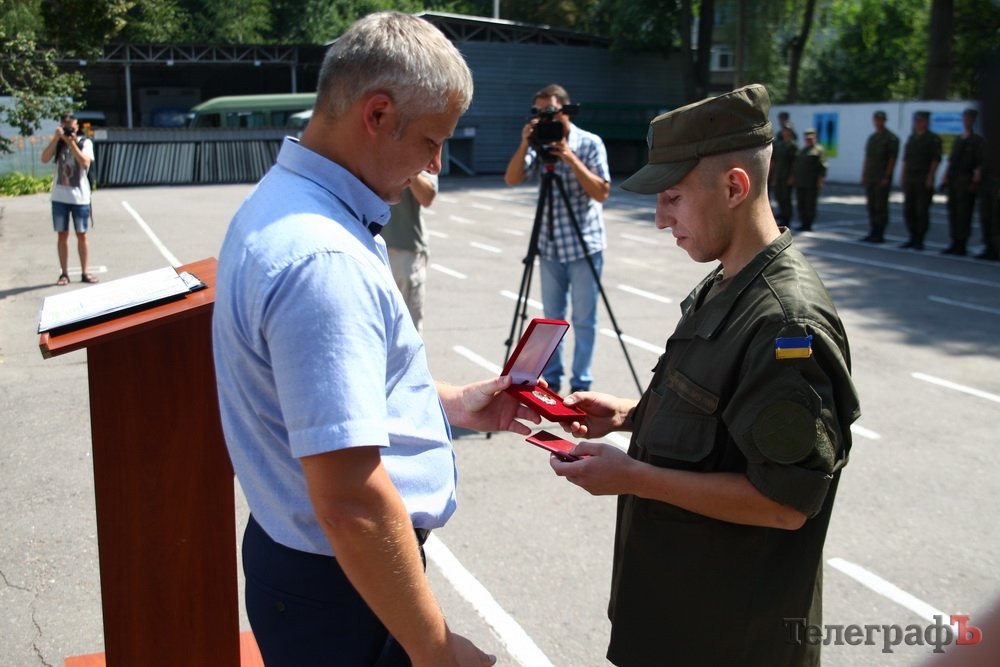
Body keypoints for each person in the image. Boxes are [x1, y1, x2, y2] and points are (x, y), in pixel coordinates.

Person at [212, 12, 541, 667]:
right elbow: (350, 499)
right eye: (429, 140)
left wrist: (447, 402)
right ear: (378, 114)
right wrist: (438, 650)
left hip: (310, 569)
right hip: (340, 588)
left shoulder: (289, 205)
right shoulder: (322, 258)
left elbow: (313, 401)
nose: (436, 162)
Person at [547, 84, 860, 667]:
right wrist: (624, 416)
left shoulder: (786, 326)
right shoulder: (727, 283)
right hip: (679, 619)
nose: (661, 218)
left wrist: (634, 475)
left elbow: (783, 503)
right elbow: (717, 418)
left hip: (729, 640)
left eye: (672, 197)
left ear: (735, 187)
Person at [503, 83, 611, 394]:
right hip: (550, 247)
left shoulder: (589, 143)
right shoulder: (539, 145)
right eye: (538, 112)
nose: (544, 117)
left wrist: (569, 157)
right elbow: (512, 178)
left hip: (584, 245)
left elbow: (601, 192)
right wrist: (526, 143)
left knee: (584, 320)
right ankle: (551, 379)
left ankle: (582, 384)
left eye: (549, 111)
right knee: (552, 320)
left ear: (565, 110)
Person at [40, 113, 99, 285]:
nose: (68, 128)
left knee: (82, 235)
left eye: (71, 126)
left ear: (77, 126)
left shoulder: (84, 142)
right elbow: (44, 159)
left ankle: (85, 272)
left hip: (80, 198)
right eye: (65, 125)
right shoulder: (57, 141)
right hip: (59, 197)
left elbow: (85, 163)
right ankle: (64, 273)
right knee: (62, 235)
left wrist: (71, 142)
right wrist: (56, 138)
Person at [382, 170, 437, 332]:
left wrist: (407, 165)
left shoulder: (424, 146)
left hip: (404, 252)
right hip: (363, 247)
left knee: (407, 332)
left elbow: (427, 196)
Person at [940, 108, 986, 256]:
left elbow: (980, 163)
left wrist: (976, 180)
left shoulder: (978, 140)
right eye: (965, 118)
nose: (966, 121)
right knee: (953, 212)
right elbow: (952, 161)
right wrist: (946, 177)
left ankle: (962, 243)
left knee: (964, 213)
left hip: (967, 180)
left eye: (969, 119)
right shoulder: (959, 139)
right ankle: (954, 242)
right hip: (954, 179)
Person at [900, 110, 943, 250]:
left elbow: (935, 160)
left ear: (927, 122)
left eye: (922, 121)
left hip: (923, 178)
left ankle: (920, 239)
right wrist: (903, 175)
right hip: (911, 178)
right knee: (909, 209)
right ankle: (912, 236)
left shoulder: (933, 139)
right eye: (917, 121)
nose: (919, 123)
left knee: (922, 209)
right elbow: (906, 159)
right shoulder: (912, 138)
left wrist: (930, 176)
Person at [860, 110, 900, 243]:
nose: (878, 122)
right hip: (871, 176)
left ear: (884, 121)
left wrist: (887, 176)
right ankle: (873, 231)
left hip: (881, 177)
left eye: (880, 120)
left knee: (880, 206)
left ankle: (880, 233)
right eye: (876, 120)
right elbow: (867, 157)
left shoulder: (891, 138)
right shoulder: (873, 138)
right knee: (871, 205)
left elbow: (892, 159)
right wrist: (864, 174)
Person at [792, 127, 826, 231]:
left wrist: (820, 181)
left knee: (810, 204)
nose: (808, 140)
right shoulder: (803, 150)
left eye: (811, 138)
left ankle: (808, 224)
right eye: (807, 139)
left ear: (815, 138)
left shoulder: (818, 150)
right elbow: (797, 165)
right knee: (801, 203)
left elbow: (822, 167)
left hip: (811, 182)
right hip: (801, 182)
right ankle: (803, 223)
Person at [769, 121, 797, 227]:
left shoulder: (793, 146)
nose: (785, 132)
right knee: (779, 197)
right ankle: (783, 217)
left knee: (786, 198)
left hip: (787, 176)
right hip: (779, 175)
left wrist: (792, 176)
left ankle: (787, 219)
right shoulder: (780, 145)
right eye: (784, 130)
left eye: (787, 130)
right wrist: (773, 175)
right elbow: (775, 161)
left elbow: (794, 163)